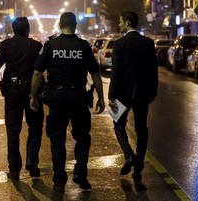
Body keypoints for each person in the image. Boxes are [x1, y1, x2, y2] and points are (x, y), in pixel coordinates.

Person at [30, 12, 105, 193]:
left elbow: (37, 73)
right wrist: (101, 97)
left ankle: (59, 180)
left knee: (57, 140)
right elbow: (95, 73)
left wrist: (33, 95)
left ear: (60, 25)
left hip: (57, 98)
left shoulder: (50, 45)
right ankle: (80, 174)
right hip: (78, 97)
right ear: (75, 25)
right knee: (83, 137)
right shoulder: (83, 46)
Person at [0, 17, 44, 181]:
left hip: (12, 91)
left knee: (13, 130)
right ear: (28, 29)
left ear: (14, 30)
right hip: (32, 91)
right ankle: (32, 161)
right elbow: (42, 70)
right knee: (35, 126)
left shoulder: (6, 45)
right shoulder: (36, 46)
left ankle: (14, 169)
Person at [108, 11, 158, 182]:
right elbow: (153, 70)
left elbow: (115, 72)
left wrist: (111, 96)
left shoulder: (119, 44)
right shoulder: (148, 43)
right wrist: (153, 92)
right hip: (143, 93)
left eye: (120, 21)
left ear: (128, 23)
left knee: (117, 124)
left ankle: (128, 155)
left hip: (121, 93)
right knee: (141, 129)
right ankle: (139, 164)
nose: (119, 24)